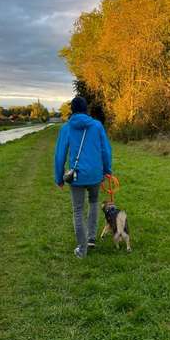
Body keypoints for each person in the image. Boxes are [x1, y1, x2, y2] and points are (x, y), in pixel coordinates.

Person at [54, 96, 112, 258]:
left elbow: (60, 155)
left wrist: (59, 178)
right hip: (95, 174)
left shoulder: (66, 128)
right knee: (93, 204)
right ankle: (91, 238)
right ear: (86, 109)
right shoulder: (97, 126)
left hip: (77, 176)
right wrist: (107, 170)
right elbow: (105, 151)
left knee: (78, 210)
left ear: (72, 110)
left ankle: (82, 249)